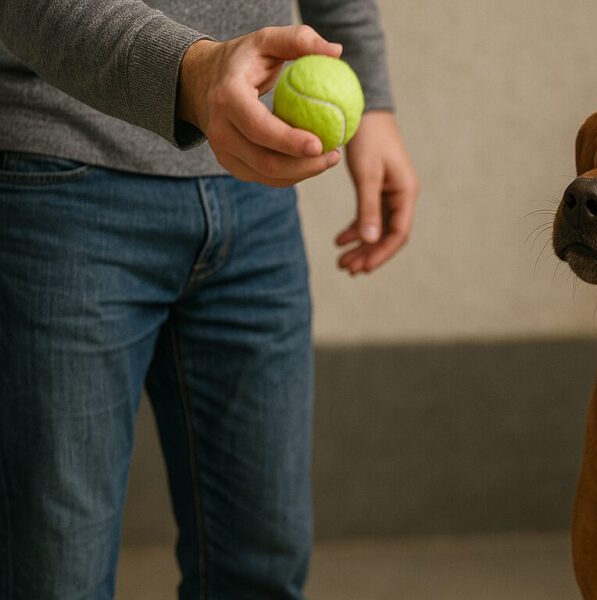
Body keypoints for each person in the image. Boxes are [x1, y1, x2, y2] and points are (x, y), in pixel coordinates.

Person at [0, 0, 418, 596]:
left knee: (262, 567)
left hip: (253, 195)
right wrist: (190, 71)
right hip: (58, 173)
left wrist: (371, 98)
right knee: (56, 573)